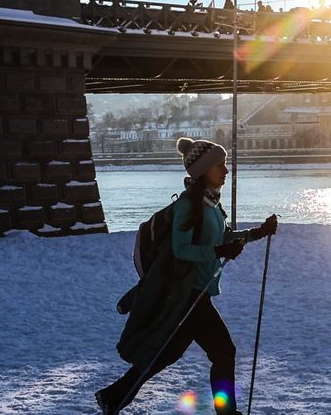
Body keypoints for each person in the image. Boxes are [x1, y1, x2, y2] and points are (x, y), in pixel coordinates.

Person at [96, 138, 278, 415]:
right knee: (223, 352)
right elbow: (182, 251)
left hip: (197, 292)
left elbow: (224, 237)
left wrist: (257, 232)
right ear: (202, 170)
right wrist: (219, 250)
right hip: (187, 294)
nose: (226, 170)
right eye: (220, 165)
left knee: (165, 353)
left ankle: (114, 397)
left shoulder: (212, 204)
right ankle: (226, 413)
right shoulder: (187, 206)